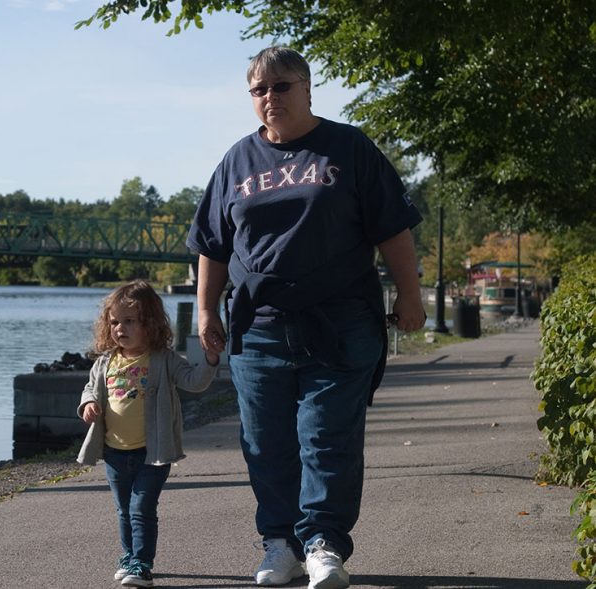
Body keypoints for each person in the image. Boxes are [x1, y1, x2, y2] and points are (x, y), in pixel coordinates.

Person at [186, 46, 426, 589]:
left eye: (281, 86)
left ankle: (323, 544)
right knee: (265, 443)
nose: (270, 98)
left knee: (325, 437)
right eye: (258, 90)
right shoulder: (237, 161)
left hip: (338, 323)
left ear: (307, 87)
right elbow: (212, 245)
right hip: (259, 327)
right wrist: (205, 309)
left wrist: (410, 297)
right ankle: (280, 544)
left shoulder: (348, 147)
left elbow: (393, 228)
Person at [76, 280, 219, 587]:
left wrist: (210, 360)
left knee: (141, 508)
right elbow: (90, 388)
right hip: (114, 452)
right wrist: (88, 403)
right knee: (124, 510)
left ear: (150, 324)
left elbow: (195, 382)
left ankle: (142, 563)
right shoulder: (105, 362)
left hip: (150, 453)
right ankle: (129, 556)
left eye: (129, 321)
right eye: (114, 322)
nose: (119, 328)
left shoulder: (163, 360)